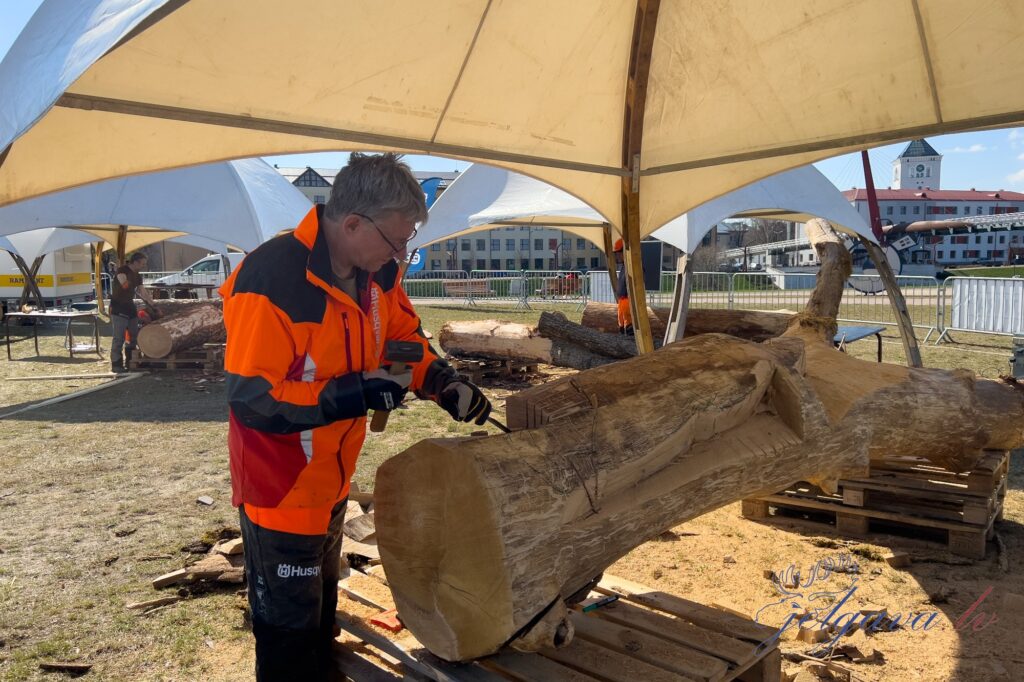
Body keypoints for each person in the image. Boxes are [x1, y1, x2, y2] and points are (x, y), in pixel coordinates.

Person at [220, 153, 492, 681]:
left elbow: (403, 338)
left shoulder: (377, 272)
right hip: (282, 489)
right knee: (289, 639)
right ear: (351, 224)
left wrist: (443, 382)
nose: (401, 254)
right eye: (396, 240)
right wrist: (354, 394)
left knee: (321, 619)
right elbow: (254, 401)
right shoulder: (271, 280)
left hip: (333, 478)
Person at [109, 252, 158, 372]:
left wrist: (153, 305)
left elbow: (143, 292)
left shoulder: (138, 276)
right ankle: (116, 364)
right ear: (135, 262)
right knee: (119, 338)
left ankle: (131, 362)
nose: (144, 266)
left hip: (130, 307)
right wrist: (127, 282)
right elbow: (124, 284)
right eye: (142, 264)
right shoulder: (122, 270)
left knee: (133, 337)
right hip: (118, 307)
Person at [613, 239, 634, 335]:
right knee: (622, 327)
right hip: (622, 301)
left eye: (618, 253)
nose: (617, 256)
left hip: (628, 301)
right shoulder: (624, 266)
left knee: (629, 328)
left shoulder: (632, 265)